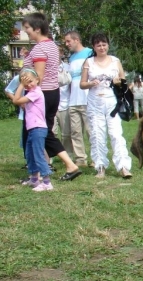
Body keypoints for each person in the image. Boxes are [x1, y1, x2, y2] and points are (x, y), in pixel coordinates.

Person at [21, 12, 82, 181]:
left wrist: (27, 96)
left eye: (27, 28)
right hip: (51, 93)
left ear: (37, 28)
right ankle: (57, 167)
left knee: (36, 133)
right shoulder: (51, 46)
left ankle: (42, 172)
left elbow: (38, 77)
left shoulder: (40, 48)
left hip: (41, 95)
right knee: (46, 132)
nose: (25, 31)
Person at [80, 33, 133, 179]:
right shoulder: (88, 62)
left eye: (104, 44)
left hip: (112, 103)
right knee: (97, 134)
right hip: (95, 102)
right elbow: (82, 84)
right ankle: (100, 167)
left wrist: (118, 82)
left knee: (116, 134)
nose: (101, 47)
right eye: (98, 45)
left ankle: (123, 167)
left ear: (108, 45)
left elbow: (123, 82)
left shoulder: (115, 61)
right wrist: (91, 83)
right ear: (94, 47)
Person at [12, 69, 54, 191]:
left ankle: (46, 182)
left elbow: (16, 100)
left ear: (37, 80)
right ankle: (34, 179)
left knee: (38, 154)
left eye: (30, 81)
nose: (28, 85)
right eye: (25, 83)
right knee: (30, 154)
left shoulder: (35, 93)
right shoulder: (30, 93)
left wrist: (20, 85)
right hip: (32, 129)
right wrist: (22, 84)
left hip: (38, 128)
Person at [64, 30, 93, 167]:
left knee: (90, 131)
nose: (66, 44)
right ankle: (80, 159)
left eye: (68, 41)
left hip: (87, 100)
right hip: (73, 101)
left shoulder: (89, 53)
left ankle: (95, 158)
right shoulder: (71, 58)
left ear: (77, 40)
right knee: (75, 132)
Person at [54, 48, 71, 147]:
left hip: (65, 103)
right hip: (50, 104)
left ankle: (67, 154)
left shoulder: (68, 67)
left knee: (66, 133)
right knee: (52, 132)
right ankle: (50, 156)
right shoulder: (46, 67)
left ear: (61, 53)